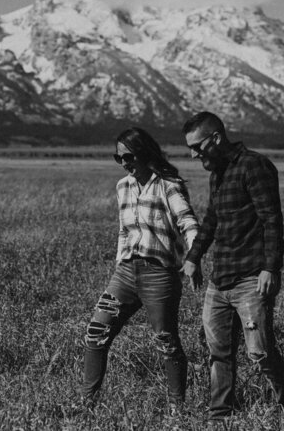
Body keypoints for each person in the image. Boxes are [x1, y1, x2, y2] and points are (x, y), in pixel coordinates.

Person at [180, 112, 284, 430]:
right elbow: (212, 220)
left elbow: (271, 219)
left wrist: (271, 267)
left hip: (251, 279)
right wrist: (193, 257)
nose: (193, 154)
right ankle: (219, 418)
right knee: (218, 353)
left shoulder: (254, 165)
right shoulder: (218, 172)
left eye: (197, 147)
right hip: (220, 280)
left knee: (262, 354)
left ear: (215, 138)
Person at [81, 127, 199, 408]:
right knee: (96, 332)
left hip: (159, 274)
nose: (124, 163)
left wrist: (194, 257)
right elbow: (124, 229)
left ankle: (176, 410)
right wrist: (121, 260)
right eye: (118, 157)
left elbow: (188, 222)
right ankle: (86, 403)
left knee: (166, 341)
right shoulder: (123, 186)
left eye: (129, 156)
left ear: (145, 153)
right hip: (125, 274)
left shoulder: (168, 185)